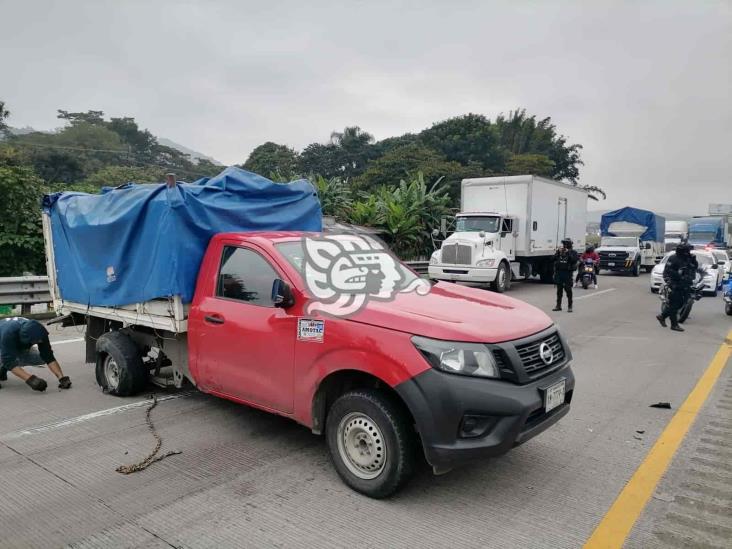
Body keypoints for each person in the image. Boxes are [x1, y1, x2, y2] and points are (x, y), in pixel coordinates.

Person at [0, 317, 72, 391]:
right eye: (34, 342)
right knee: (7, 359)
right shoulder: (8, 334)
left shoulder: (39, 331)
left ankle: (3, 368)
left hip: (15, 344)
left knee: (40, 359)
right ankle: (3, 366)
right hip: (3, 340)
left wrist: (62, 378)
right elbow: (8, 361)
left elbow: (48, 356)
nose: (37, 343)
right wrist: (31, 380)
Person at [656, 243, 698, 332]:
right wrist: (676, 277)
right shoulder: (673, 258)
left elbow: (694, 268)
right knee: (674, 304)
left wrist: (694, 260)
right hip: (676, 284)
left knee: (681, 303)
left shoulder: (688, 258)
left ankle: (662, 316)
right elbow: (668, 271)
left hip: (686, 284)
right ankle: (674, 324)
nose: (688, 252)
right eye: (687, 251)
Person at [553, 238, 579, 312]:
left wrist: (568, 253)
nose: (565, 246)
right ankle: (558, 306)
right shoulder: (560, 252)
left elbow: (574, 260)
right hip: (559, 273)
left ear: (570, 244)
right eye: (564, 244)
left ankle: (570, 306)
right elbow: (552, 259)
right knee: (559, 291)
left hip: (567, 274)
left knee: (568, 290)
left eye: (566, 244)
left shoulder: (573, 252)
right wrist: (557, 253)